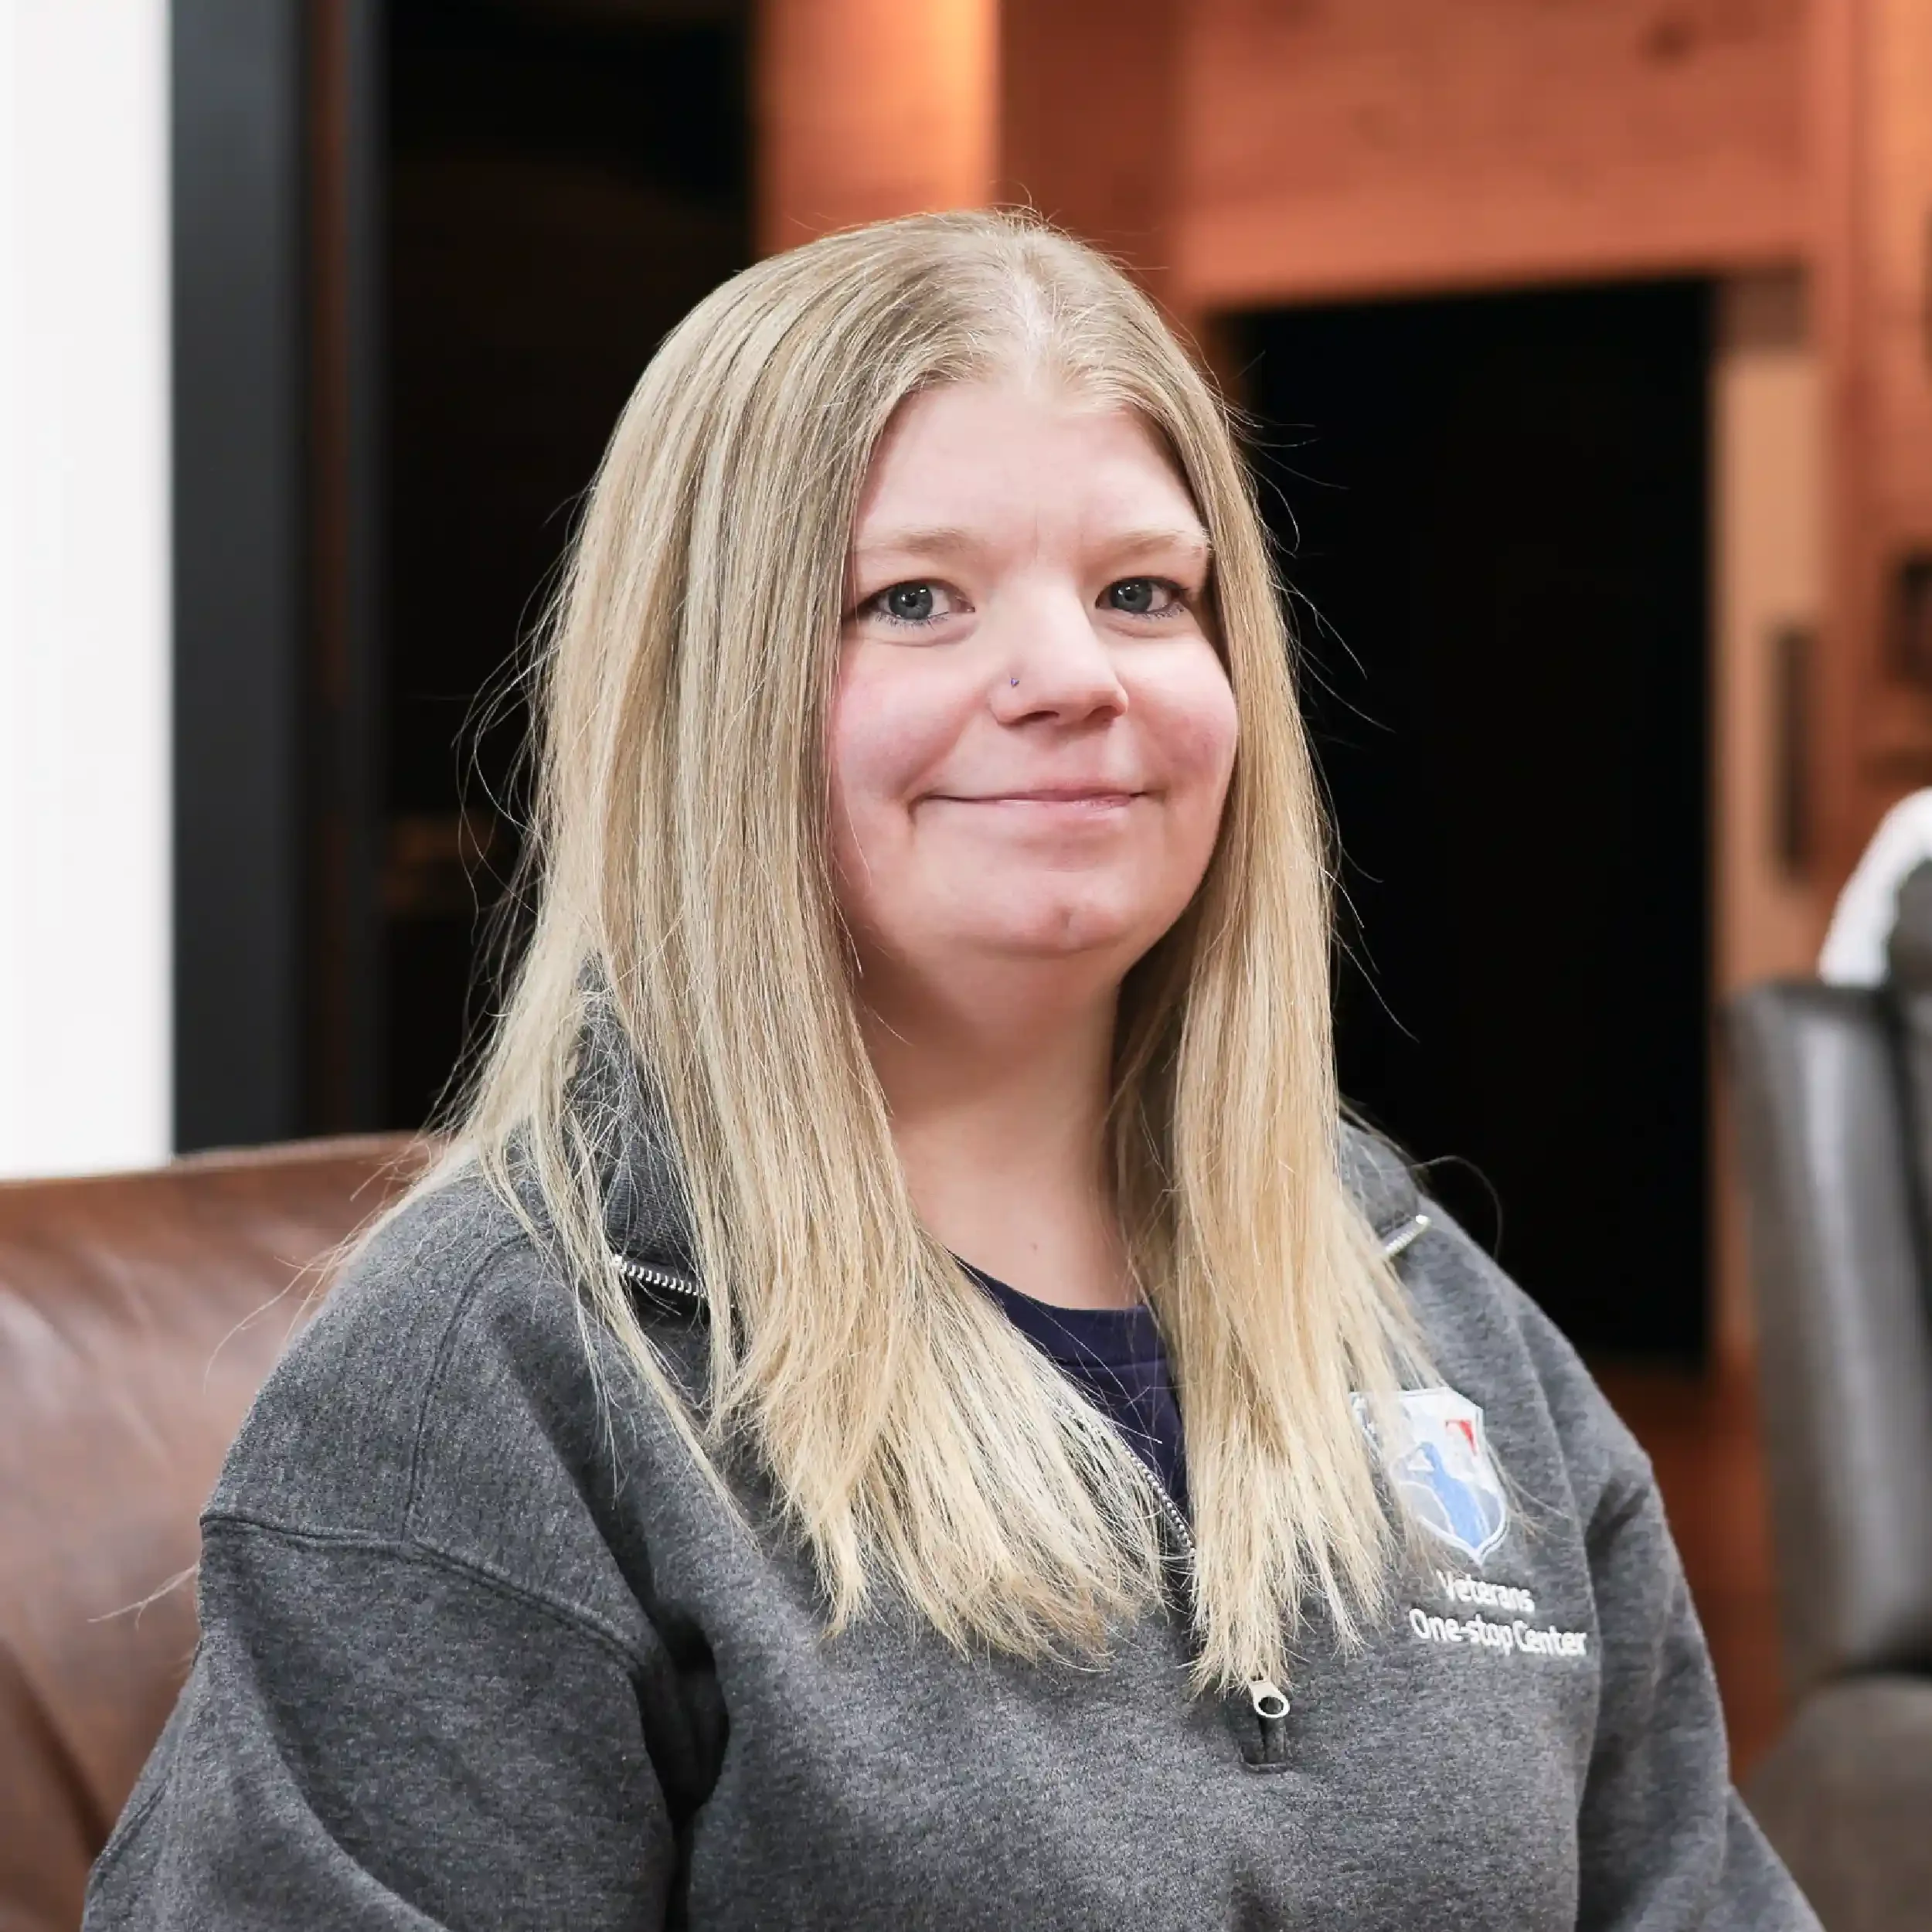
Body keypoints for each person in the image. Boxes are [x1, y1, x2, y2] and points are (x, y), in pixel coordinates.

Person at [83, 210, 1817, 1930]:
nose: (1072, 676)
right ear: (709, 699)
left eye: (1142, 593)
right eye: (911, 600)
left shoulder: (1426, 1307)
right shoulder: (495, 1384)